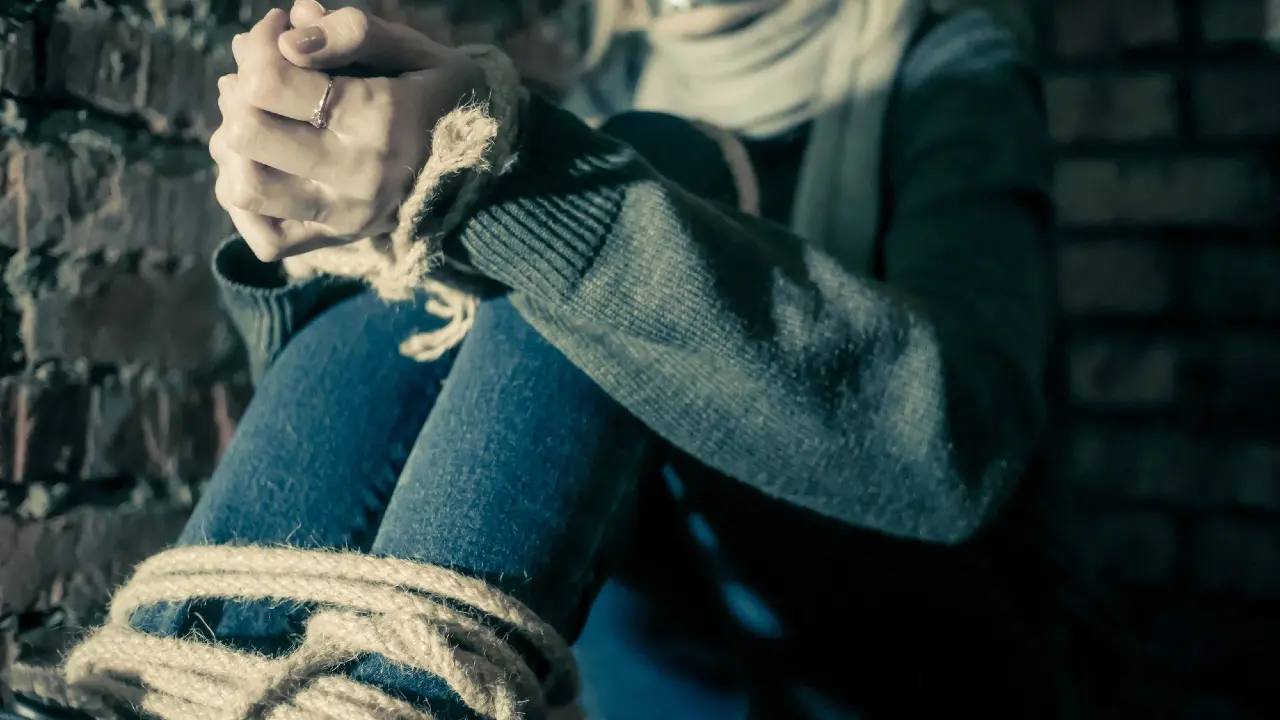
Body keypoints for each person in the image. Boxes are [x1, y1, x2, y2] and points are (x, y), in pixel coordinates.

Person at [13, 0, 1052, 718]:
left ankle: (397, 698)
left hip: (892, 651)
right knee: (508, 224)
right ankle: (185, 678)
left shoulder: (947, 62)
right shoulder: (619, 72)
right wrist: (353, 229)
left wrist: (523, 183)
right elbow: (424, 427)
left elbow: (960, 452)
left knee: (643, 162)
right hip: (663, 659)